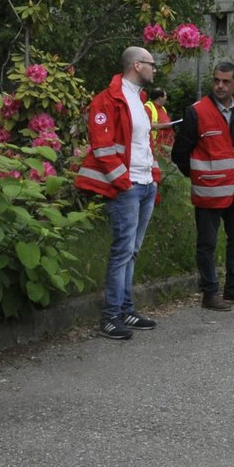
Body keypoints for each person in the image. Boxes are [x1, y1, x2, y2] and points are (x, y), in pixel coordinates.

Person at [75, 46, 162, 340]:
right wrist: (123, 183)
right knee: (122, 251)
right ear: (137, 65)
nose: (154, 69)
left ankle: (126, 309)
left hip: (145, 184)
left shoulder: (140, 100)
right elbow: (102, 148)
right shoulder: (107, 99)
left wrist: (154, 177)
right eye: (151, 64)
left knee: (132, 251)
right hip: (127, 187)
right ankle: (111, 315)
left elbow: (143, 145)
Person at [171, 61, 234, 310]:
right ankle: (210, 294)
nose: (219, 86)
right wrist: (200, 176)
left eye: (225, 82)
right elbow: (179, 153)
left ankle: (233, 289)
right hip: (209, 193)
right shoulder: (197, 111)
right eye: (216, 81)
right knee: (207, 243)